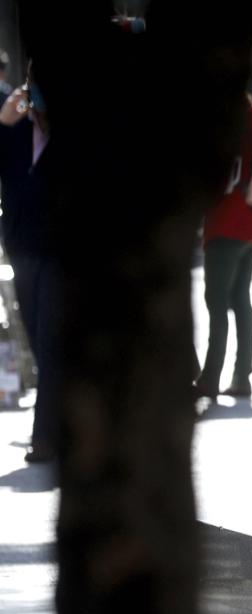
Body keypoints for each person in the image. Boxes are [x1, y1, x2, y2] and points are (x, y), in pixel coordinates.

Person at [0, 65, 61, 462]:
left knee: (51, 338)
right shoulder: (16, 130)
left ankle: (46, 437)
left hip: (61, 251)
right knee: (39, 343)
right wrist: (22, 101)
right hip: (23, 247)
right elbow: (5, 119)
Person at [193, 95, 252, 400]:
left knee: (215, 300)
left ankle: (210, 378)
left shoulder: (228, 128)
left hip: (226, 223)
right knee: (240, 298)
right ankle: (242, 377)